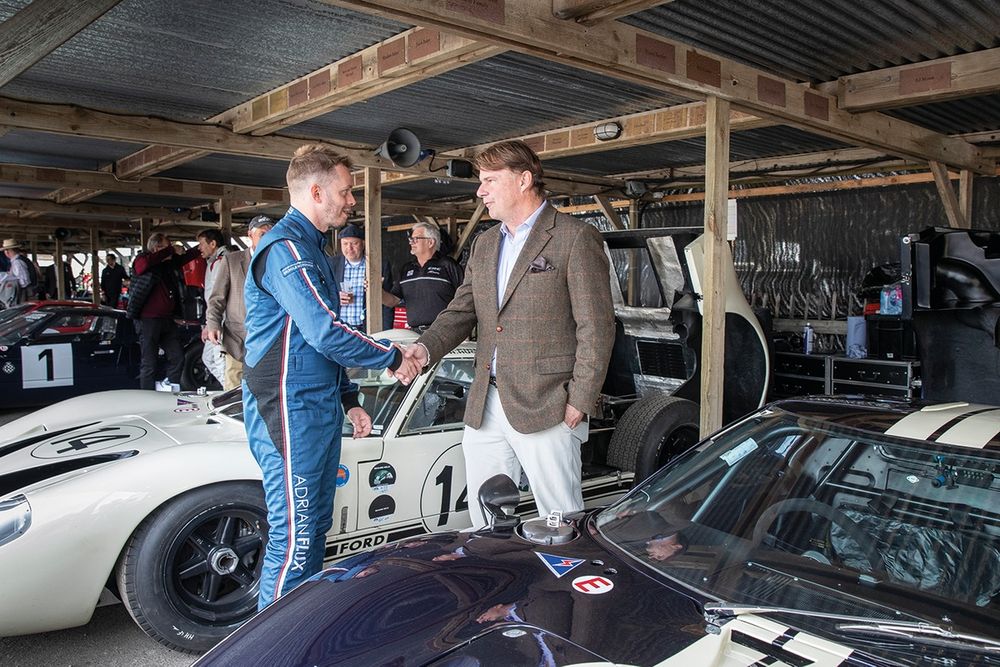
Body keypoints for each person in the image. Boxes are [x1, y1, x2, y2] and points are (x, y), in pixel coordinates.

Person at [399, 140, 614, 528]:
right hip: (486, 402)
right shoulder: (485, 244)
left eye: (490, 180)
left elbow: (596, 328)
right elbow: (462, 309)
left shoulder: (574, 238)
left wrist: (579, 400)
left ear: (524, 180)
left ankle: (568, 586)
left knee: (560, 517)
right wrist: (424, 348)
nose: (480, 191)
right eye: (481, 181)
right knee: (486, 516)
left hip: (548, 402)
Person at [242, 143, 418, 608]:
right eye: (346, 192)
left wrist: (350, 399)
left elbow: (313, 340)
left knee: (316, 524)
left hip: (314, 403)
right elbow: (324, 332)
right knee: (295, 537)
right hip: (286, 406)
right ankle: (272, 652)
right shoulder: (284, 250)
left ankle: (300, 637)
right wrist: (393, 357)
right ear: (316, 191)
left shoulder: (313, 249)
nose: (352, 201)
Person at [205, 215, 274, 390]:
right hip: (237, 338)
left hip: (269, 339)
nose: (267, 238)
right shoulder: (231, 261)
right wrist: (212, 324)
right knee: (233, 389)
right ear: (250, 235)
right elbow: (216, 298)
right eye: (261, 234)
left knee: (264, 389)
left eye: (270, 233)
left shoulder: (278, 262)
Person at [133, 233, 201, 390]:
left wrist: (202, 245)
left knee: (177, 356)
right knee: (149, 363)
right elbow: (142, 266)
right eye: (166, 246)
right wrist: (170, 250)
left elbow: (186, 257)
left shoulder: (167, 264)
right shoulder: (143, 259)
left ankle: (171, 389)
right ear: (157, 248)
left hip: (167, 320)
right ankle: (147, 397)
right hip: (148, 320)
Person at [382, 221, 464, 332]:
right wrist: (377, 291)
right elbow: (393, 301)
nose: (411, 242)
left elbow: (465, 297)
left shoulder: (448, 265)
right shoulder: (406, 269)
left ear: (430, 242)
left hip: (445, 332)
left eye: (416, 239)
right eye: (411, 239)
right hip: (414, 333)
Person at [328, 224, 394, 332]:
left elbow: (388, 302)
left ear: (363, 244)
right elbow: (319, 292)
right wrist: (335, 298)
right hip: (339, 329)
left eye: (354, 243)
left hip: (368, 328)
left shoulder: (379, 265)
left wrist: (386, 331)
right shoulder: (331, 264)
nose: (349, 248)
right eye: (345, 244)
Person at [197, 228, 228, 386]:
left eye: (202, 244)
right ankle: (232, 392)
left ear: (213, 244)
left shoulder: (223, 261)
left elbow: (220, 295)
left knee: (221, 362)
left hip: (222, 321)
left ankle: (235, 397)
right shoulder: (212, 263)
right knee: (208, 358)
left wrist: (212, 323)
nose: (199, 248)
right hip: (213, 319)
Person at [1, 239, 39, 304]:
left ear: (7, 251)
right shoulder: (21, 260)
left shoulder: (17, 262)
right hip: (28, 293)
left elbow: (24, 282)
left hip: (24, 295)